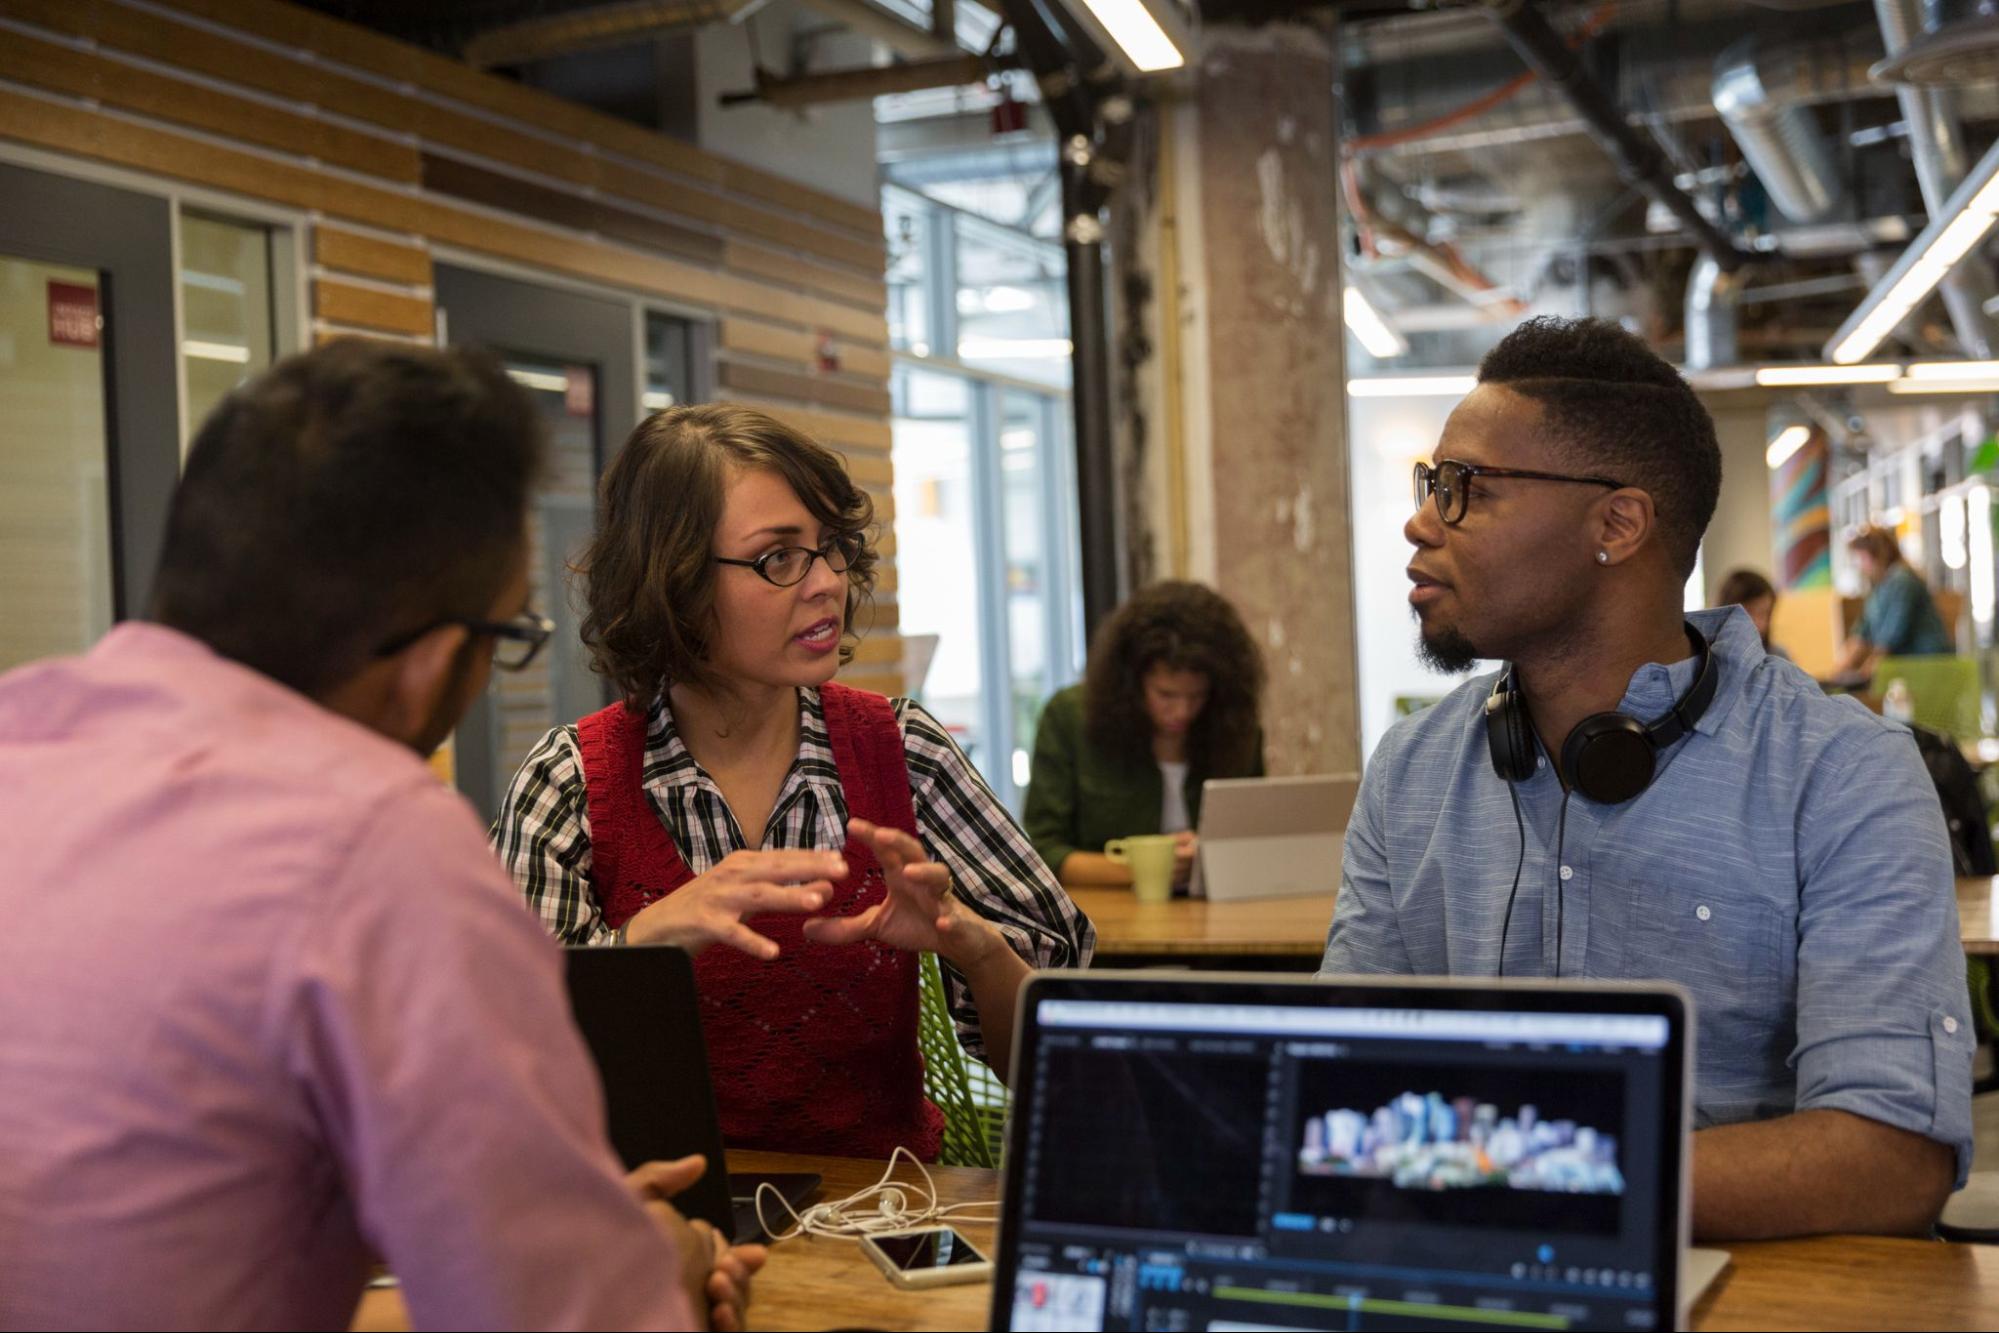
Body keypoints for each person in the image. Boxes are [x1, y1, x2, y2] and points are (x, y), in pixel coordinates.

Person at [0, 342, 759, 1330]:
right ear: (432, 663)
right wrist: (664, 1261)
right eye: (507, 637)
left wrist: (568, 1225)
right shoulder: (372, 842)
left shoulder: (24, 740)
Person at [1324, 316, 1971, 1242]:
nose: (1420, 521)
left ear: (1617, 524)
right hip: (1467, 1277)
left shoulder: (1840, 773)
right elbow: (1343, 1084)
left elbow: (1890, 1156)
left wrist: (1519, 1180)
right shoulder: (1410, 771)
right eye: (1432, 485)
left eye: (1466, 489)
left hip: (1742, 1287)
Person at [493, 404, 1091, 1162]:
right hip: (661, 1214)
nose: (829, 583)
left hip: (881, 1212)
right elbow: (503, 1064)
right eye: (779, 558)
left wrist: (975, 947)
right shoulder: (571, 781)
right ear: (672, 581)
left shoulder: (902, 751)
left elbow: (1069, 1061)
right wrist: (645, 939)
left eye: (831, 548)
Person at [1022, 580, 1266, 890]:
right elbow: (1043, 853)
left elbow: (1254, 841)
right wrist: (1143, 868)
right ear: (1131, 682)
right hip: (1107, 913)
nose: (1182, 711)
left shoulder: (1235, 729)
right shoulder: (1070, 720)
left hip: (1216, 911)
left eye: (1197, 696)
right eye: (1166, 694)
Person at [1834, 525, 1953, 676]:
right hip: (1907, 666)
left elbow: (1891, 637)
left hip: (1927, 664)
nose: (1860, 565)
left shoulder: (1902, 580)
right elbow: (1862, 633)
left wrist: (1865, 673)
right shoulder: (1880, 587)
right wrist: (1837, 672)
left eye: (1862, 558)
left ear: (1877, 555)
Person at [1714, 567, 1790, 660]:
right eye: (1749, 612)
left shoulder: (1777, 656)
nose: (1758, 624)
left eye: (1765, 614)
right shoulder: (1706, 656)